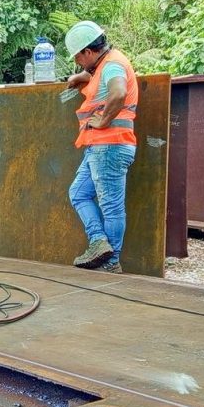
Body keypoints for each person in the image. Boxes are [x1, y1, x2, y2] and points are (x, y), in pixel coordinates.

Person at [64, 21, 139, 273]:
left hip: (109, 145)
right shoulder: (105, 65)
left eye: (78, 58)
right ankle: (99, 241)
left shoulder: (113, 64)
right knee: (78, 193)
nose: (78, 63)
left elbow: (117, 92)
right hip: (100, 146)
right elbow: (98, 75)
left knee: (111, 206)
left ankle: (111, 261)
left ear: (87, 51)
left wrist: (104, 119)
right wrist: (80, 77)